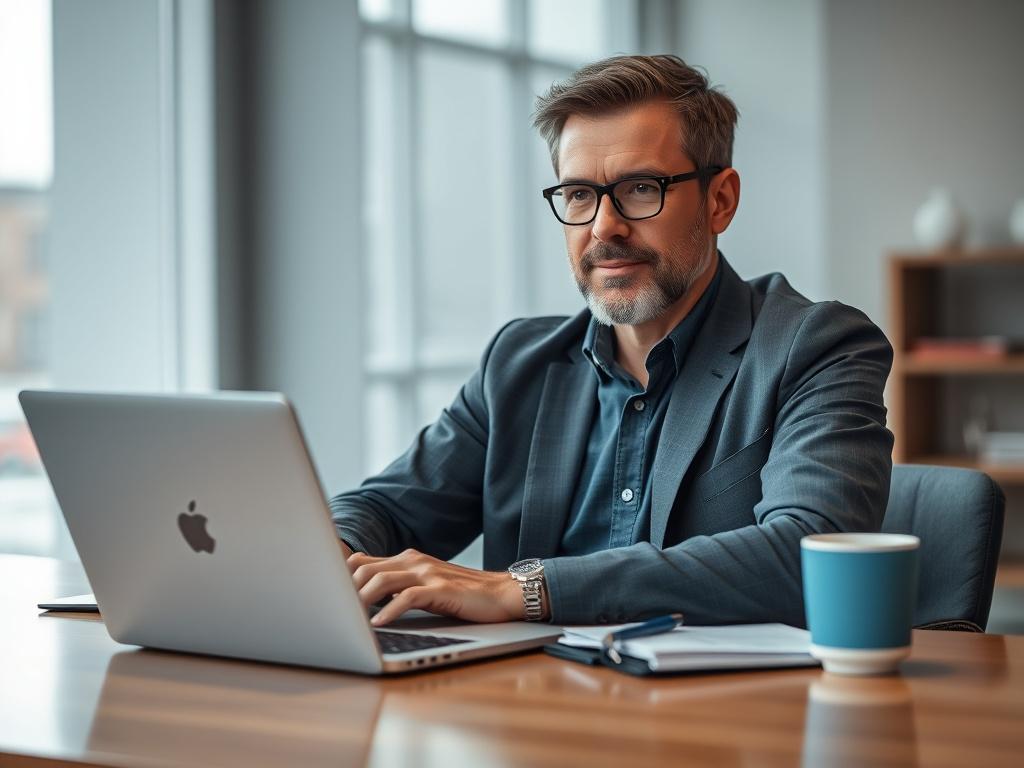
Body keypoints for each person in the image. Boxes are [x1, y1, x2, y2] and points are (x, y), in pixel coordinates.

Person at [330, 55, 893, 628]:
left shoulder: (817, 347)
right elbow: (382, 509)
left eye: (641, 188)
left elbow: (815, 555)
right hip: (522, 699)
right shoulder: (517, 364)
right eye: (578, 194)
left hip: (721, 713)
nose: (604, 227)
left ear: (719, 200)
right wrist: (331, 554)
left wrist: (529, 590)